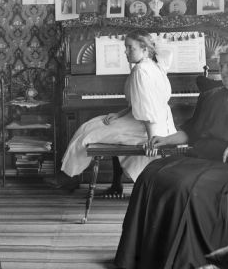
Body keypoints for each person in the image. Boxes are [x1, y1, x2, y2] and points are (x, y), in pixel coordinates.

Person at [114, 42, 228, 269]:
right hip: (199, 158)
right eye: (220, 66)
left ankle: (185, 261)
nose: (223, 71)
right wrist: (165, 139)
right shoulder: (210, 97)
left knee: (185, 186)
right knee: (151, 173)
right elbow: (191, 131)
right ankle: (146, 257)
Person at [59, 29, 176, 195]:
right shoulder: (153, 65)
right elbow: (141, 102)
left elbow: (147, 110)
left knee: (89, 129)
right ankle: (110, 182)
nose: (126, 51)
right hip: (162, 123)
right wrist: (120, 114)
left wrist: (152, 140)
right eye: (125, 47)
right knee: (99, 123)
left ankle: (69, 176)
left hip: (147, 128)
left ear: (144, 49)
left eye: (130, 48)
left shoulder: (141, 71)